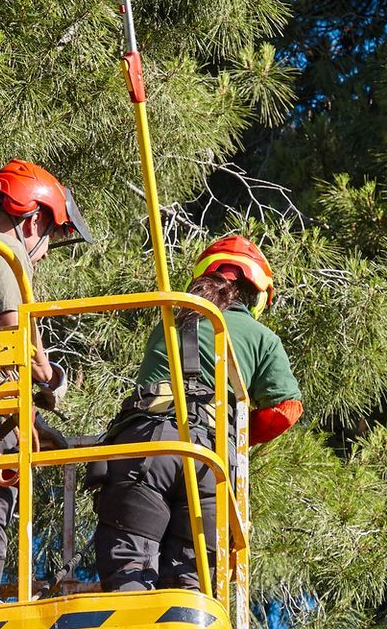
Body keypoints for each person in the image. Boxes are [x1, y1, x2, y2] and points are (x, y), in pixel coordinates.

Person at [92, 234, 302, 592]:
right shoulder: (261, 336)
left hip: (146, 449)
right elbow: (287, 409)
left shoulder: (169, 321)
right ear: (256, 294)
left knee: (130, 571)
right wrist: (237, 439)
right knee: (191, 587)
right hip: (210, 463)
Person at [0, 159, 92, 601]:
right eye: (49, 237)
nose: (46, 251)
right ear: (32, 221)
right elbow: (17, 342)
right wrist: (54, 380)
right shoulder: (1, 252)